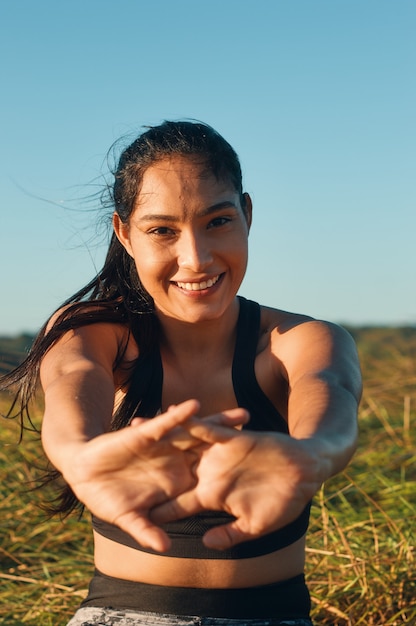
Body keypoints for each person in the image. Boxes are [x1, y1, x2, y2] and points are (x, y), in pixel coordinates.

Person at [1, 120, 362, 626]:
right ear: (124, 234)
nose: (195, 258)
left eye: (217, 221)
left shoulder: (302, 340)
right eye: (162, 230)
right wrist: (77, 458)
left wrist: (312, 456)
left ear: (247, 215)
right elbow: (72, 382)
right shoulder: (96, 332)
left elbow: (332, 394)